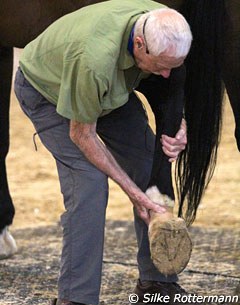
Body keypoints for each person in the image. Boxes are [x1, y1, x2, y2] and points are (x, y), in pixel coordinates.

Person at [14, 0, 192, 304]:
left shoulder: (162, 26)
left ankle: (157, 283)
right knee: (89, 181)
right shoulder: (94, 60)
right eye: (161, 66)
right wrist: (136, 194)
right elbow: (83, 135)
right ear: (139, 45)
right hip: (49, 91)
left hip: (107, 90)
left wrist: (180, 126)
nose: (165, 74)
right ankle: (77, 297)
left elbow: (170, 85)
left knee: (148, 158)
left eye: (172, 66)